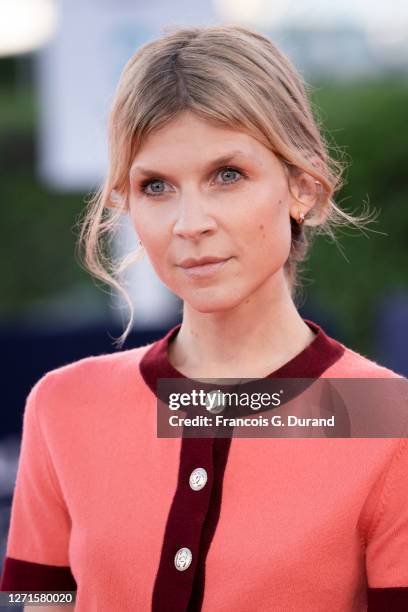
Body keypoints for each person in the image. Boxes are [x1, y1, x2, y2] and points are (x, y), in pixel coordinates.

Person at [1, 23, 407, 612]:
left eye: (227, 176)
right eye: (156, 185)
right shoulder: (63, 406)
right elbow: (34, 607)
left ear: (305, 188)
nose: (190, 222)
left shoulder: (384, 420)